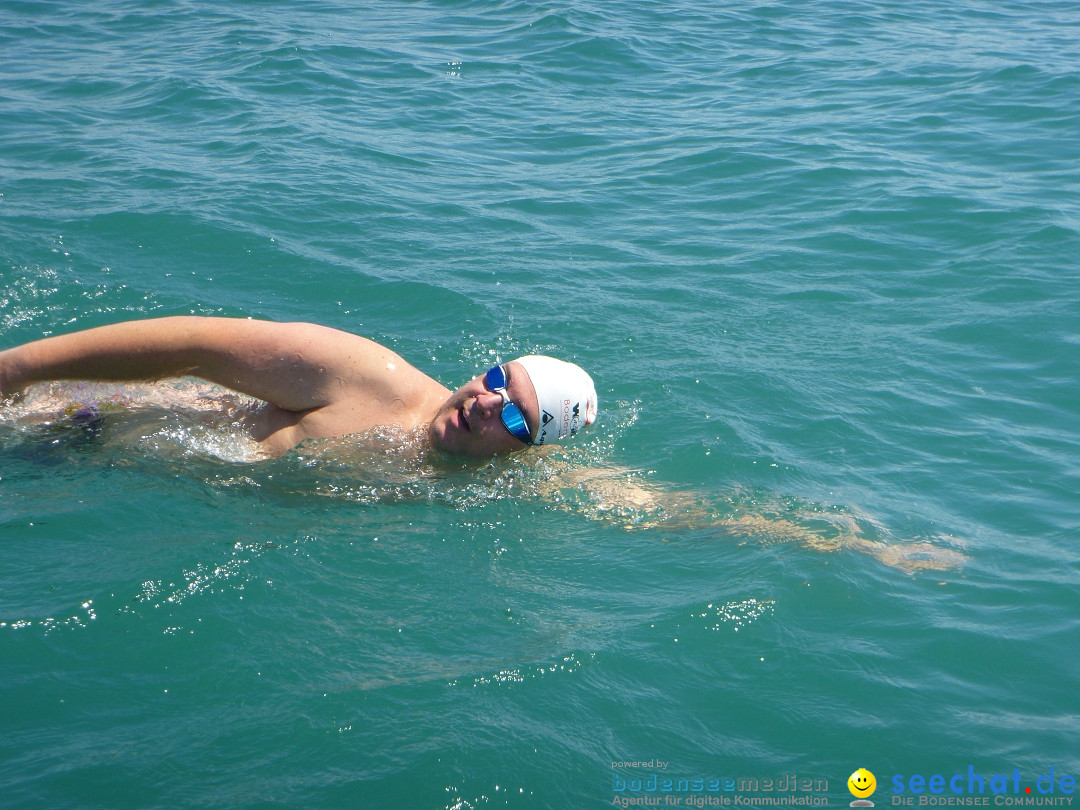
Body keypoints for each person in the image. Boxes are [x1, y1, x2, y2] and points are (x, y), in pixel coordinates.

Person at [0, 316, 598, 458]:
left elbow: (613, 495)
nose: (485, 403)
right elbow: (191, 344)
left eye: (515, 417)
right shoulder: (365, 374)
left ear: (525, 452)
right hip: (81, 424)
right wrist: (17, 368)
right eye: (497, 380)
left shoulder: (502, 480)